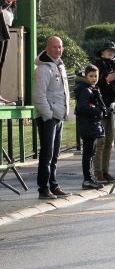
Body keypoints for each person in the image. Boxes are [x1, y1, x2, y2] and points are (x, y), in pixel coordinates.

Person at [32, 36, 71, 199]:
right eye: (54, 47)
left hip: (58, 116)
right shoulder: (43, 69)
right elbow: (38, 95)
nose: (58, 50)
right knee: (47, 154)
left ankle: (53, 185)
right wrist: (48, 115)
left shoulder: (60, 66)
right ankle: (44, 188)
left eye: (60, 47)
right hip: (49, 117)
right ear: (47, 49)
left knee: (55, 154)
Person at [93, 41, 115, 183]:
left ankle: (105, 171)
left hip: (113, 106)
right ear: (102, 52)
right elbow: (93, 83)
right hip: (101, 106)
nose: (110, 53)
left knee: (109, 142)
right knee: (100, 141)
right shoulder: (98, 65)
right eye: (108, 50)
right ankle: (98, 172)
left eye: (112, 51)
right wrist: (105, 80)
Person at [74, 65, 106, 190]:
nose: (94, 79)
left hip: (90, 124)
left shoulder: (90, 89)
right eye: (91, 76)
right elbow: (81, 108)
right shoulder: (86, 90)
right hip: (87, 125)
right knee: (88, 153)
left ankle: (89, 178)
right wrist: (97, 111)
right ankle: (87, 179)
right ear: (86, 76)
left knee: (90, 153)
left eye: (96, 76)